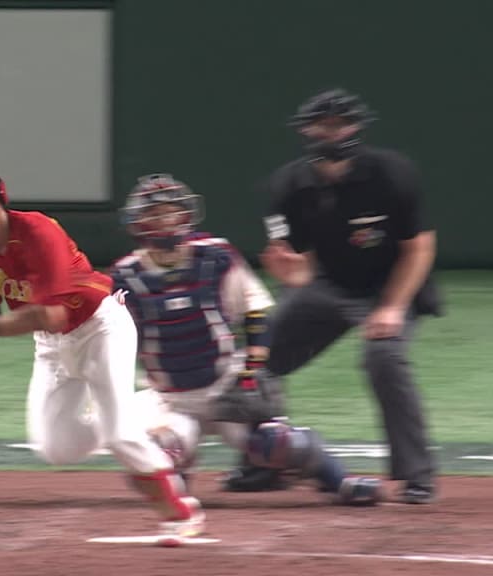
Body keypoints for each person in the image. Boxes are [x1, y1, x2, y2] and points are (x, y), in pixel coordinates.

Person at [0, 154, 205, 545]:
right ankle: (148, 405)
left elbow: (48, 315)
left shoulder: (37, 229)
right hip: (51, 346)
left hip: (100, 326)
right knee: (57, 448)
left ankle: (180, 512)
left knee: (120, 436)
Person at [108, 173, 382, 506]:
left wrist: (252, 371)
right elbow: (113, 337)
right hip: (172, 400)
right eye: (154, 214)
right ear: (138, 223)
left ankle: (340, 482)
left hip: (225, 385)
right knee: (153, 454)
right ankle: (176, 483)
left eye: (169, 211)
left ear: (185, 215)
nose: (163, 220)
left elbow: (254, 313)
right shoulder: (124, 276)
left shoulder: (216, 257)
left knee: (277, 442)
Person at [258, 88, 442, 504]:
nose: (332, 132)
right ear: (307, 131)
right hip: (330, 284)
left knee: (384, 358)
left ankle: (417, 476)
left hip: (392, 285)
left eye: (341, 124)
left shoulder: (392, 173)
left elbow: (420, 248)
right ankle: (263, 464)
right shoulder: (289, 185)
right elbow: (302, 266)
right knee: (258, 356)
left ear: (357, 127)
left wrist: (392, 307)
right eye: (323, 125)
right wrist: (291, 272)